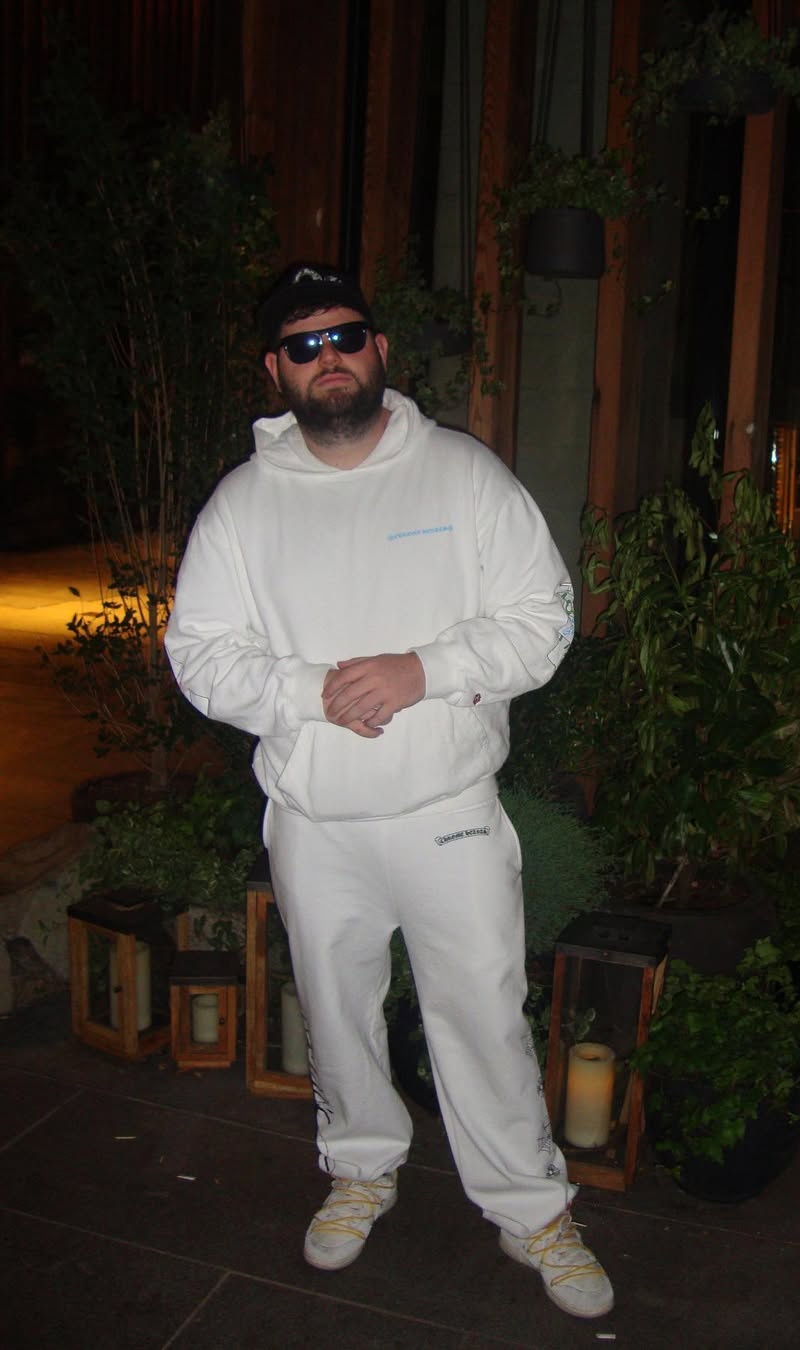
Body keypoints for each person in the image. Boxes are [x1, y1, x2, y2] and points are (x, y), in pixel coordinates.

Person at [164, 263, 614, 1320]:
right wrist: (309, 694)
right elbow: (200, 655)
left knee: (483, 1015)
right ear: (276, 369)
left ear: (379, 350)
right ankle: (361, 1168)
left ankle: (529, 1208)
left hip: (447, 808)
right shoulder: (243, 505)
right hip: (315, 819)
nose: (329, 358)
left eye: (345, 336)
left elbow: (544, 618)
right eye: (304, 345)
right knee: (335, 1011)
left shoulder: (462, 474)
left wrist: (425, 670)